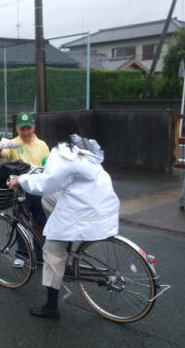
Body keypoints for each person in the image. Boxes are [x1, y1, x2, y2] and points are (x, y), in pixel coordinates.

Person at [9, 112, 120, 320]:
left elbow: (44, 184)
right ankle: (64, 242)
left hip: (84, 211)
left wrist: (21, 180)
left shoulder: (61, 153)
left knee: (51, 250)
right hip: (102, 204)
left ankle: (51, 306)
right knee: (49, 200)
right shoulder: (84, 146)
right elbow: (55, 181)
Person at [0, 111, 49, 267]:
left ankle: (40, 255)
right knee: (20, 222)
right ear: (17, 128)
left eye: (28, 128)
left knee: (41, 223)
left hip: (38, 190)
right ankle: (22, 254)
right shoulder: (13, 143)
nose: (25, 132)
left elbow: (47, 164)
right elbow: (3, 153)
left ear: (34, 127)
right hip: (20, 191)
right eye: (22, 129)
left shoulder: (42, 145)